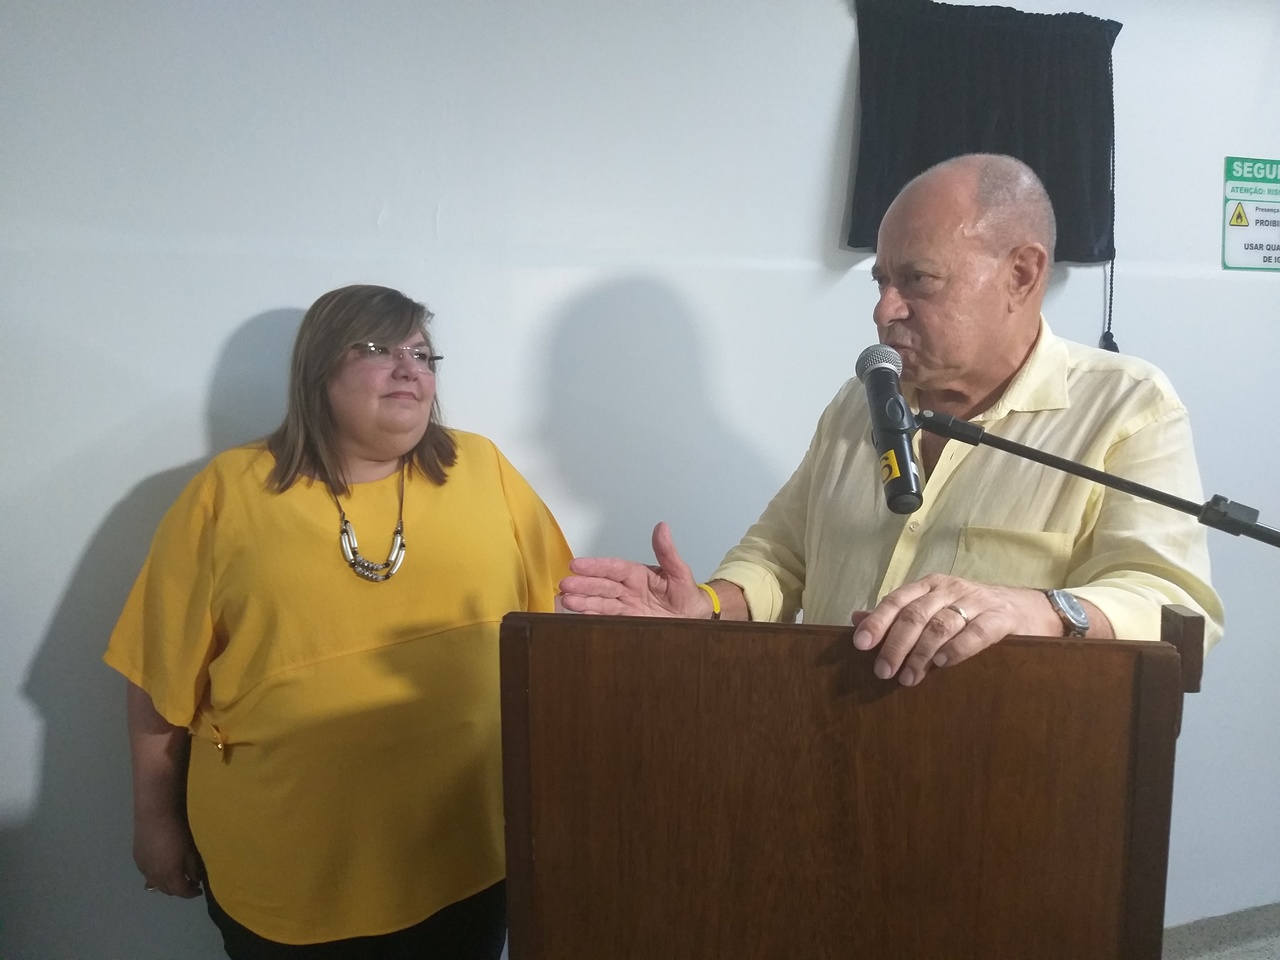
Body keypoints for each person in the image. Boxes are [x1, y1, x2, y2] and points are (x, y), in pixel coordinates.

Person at [560, 153, 1224, 685]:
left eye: (918, 280)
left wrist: (1036, 608)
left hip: (1009, 776)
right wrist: (705, 605)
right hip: (827, 755)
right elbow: (782, 556)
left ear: (1022, 275)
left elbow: (1172, 603)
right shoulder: (860, 404)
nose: (884, 310)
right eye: (880, 281)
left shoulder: (1127, 407)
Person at [105, 284, 573, 958]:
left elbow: (557, 628)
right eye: (378, 348)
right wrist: (154, 822)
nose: (409, 369)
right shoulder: (229, 492)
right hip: (287, 869)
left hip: (465, 855)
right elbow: (158, 677)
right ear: (318, 369)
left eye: (422, 353)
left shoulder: (484, 469)